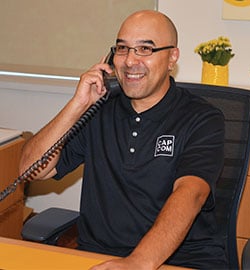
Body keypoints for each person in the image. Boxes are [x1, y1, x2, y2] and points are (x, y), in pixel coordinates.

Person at [19, 10, 228, 270]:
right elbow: (31, 170)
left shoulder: (202, 118)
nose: (130, 61)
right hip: (100, 257)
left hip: (182, 260)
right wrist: (78, 104)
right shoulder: (98, 111)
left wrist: (138, 262)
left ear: (172, 57)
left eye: (144, 49)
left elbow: (191, 194)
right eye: (122, 48)